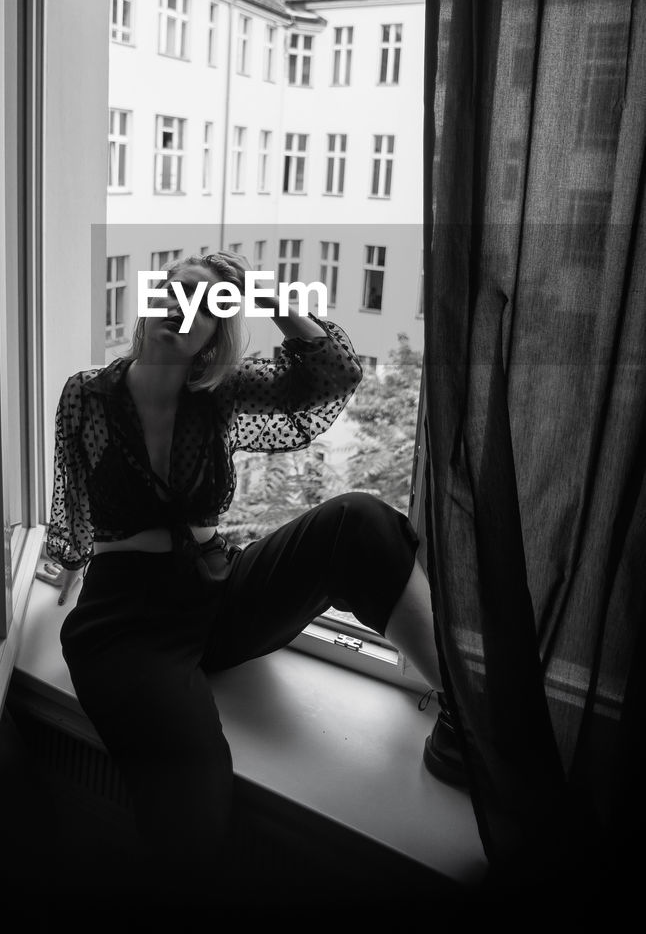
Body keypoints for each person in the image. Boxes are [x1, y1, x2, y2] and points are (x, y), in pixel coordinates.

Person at [46, 251, 463, 882]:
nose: (184, 307)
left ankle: (463, 714)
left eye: (206, 306)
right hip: (127, 627)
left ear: (216, 334)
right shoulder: (86, 396)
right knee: (193, 802)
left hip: (216, 596)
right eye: (176, 291)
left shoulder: (221, 395)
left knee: (360, 520)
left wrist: (262, 292)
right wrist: (64, 565)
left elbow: (333, 372)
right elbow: (70, 506)